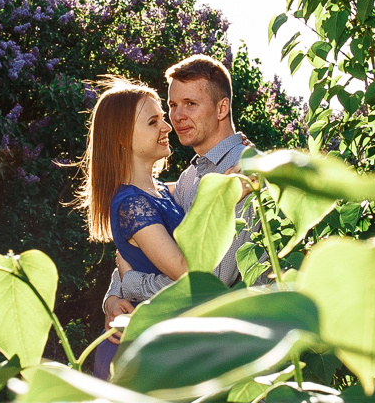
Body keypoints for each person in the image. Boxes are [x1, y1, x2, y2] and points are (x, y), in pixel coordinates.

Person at [76, 80, 188, 378]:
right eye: (154, 122)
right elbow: (186, 272)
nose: (167, 127)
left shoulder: (161, 191)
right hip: (139, 354)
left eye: (162, 117)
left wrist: (115, 293)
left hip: (159, 343)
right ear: (123, 137)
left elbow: (130, 261)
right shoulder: (131, 204)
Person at [164, 54, 259, 284]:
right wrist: (114, 295)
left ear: (221, 109)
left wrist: (133, 283)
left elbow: (211, 283)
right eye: (173, 105)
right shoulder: (189, 177)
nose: (177, 116)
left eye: (190, 104)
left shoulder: (245, 170)